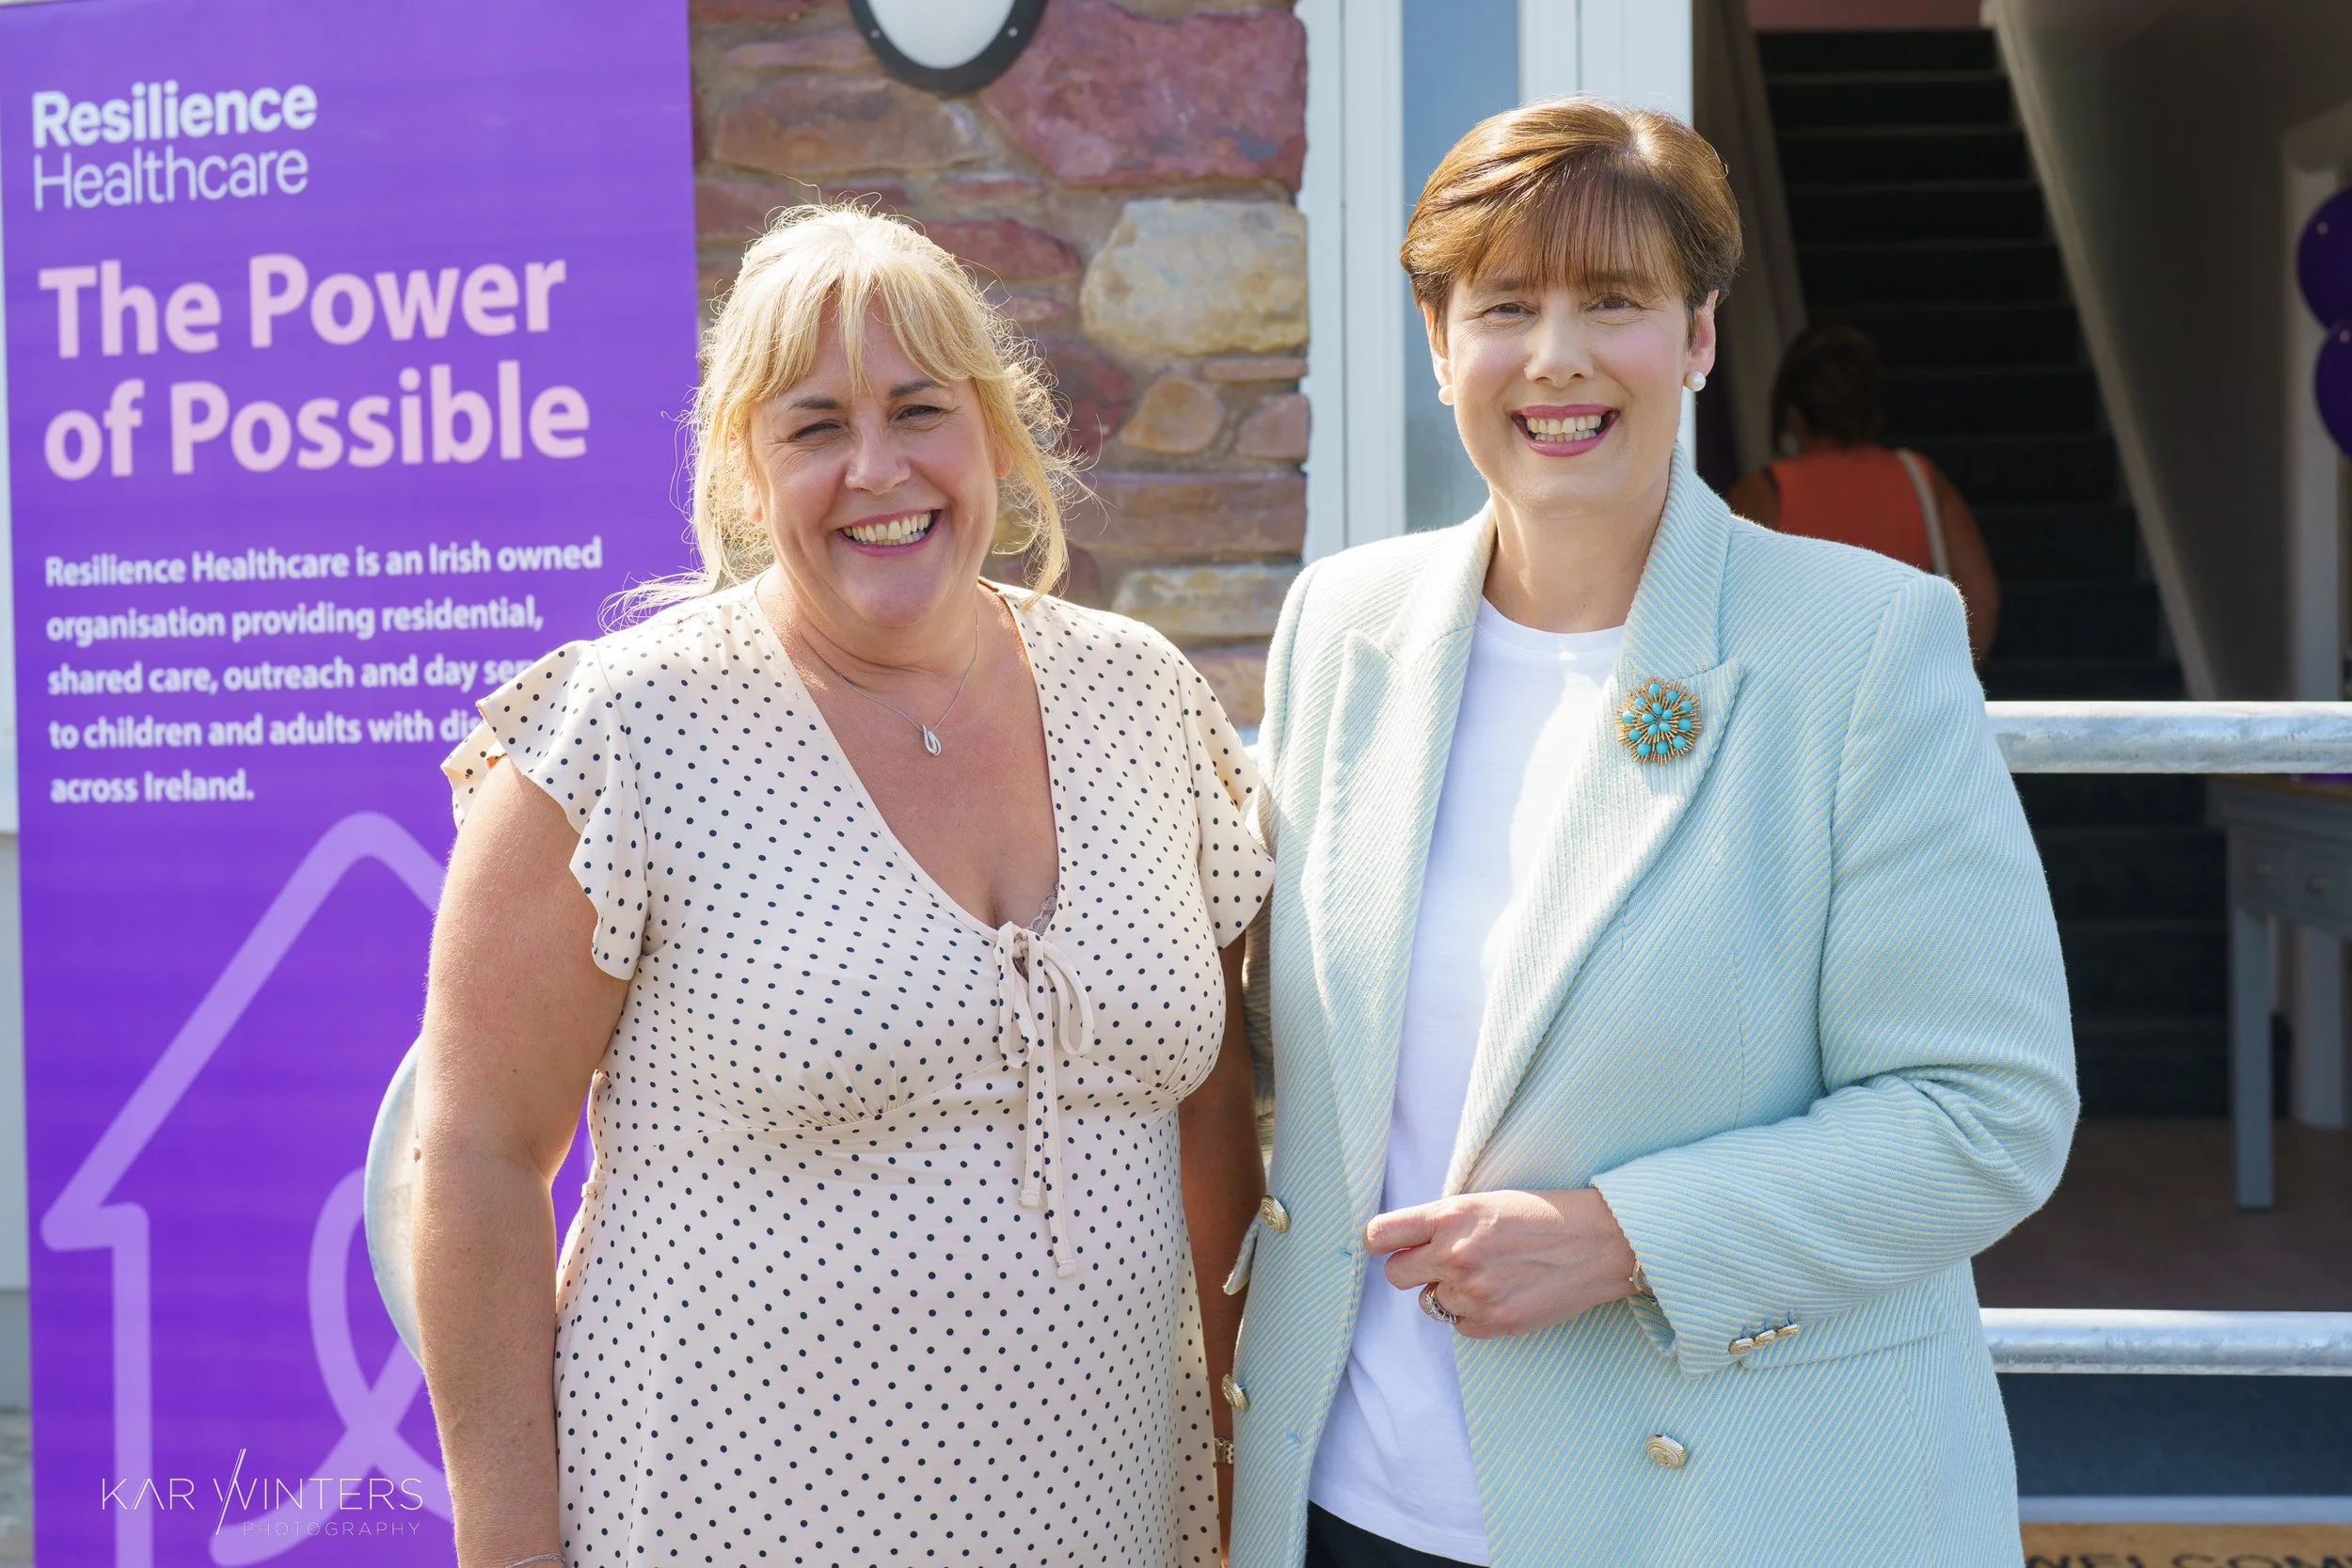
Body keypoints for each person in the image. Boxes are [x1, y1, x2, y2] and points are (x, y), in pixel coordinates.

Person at [1226, 99, 2075, 1568]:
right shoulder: (1340, 628)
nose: (1555, 355)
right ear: (1441, 344)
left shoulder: (1863, 643)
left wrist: (1623, 1232)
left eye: (1611, 301)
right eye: (1503, 305)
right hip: (1356, 1501)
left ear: (1696, 335)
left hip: (1722, 1506)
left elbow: (1986, 1109)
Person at [410, 205, 1271, 1568]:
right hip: (723, 1504)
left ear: (999, 431)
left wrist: (1243, 1469)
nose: (877, 468)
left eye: (920, 409)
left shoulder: (1147, 699)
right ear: (748, 473)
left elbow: (1214, 1119)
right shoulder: (628, 728)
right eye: (814, 426)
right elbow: (473, 1156)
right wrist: (509, 1544)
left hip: (1108, 1503)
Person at [1727, 324, 2001, 663]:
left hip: (1808, 702)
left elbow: (1729, 615)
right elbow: (1981, 600)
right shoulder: (1920, 476)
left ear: (1794, 416)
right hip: (1903, 694)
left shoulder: (1765, 493)